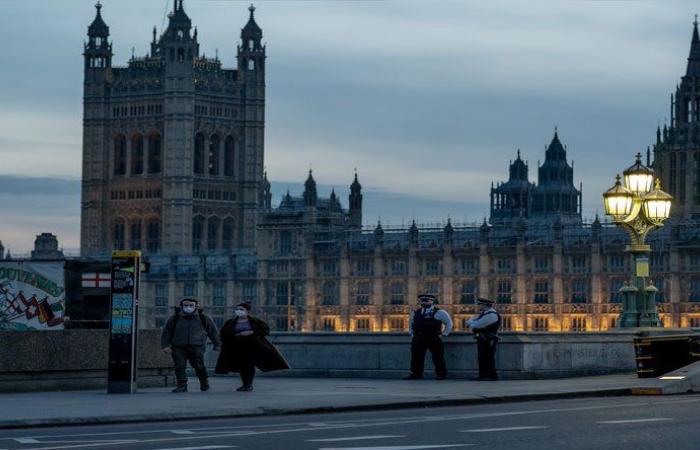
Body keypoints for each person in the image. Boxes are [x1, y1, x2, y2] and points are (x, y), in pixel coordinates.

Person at [215, 302, 290, 392]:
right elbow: (223, 333)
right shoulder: (230, 322)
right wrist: (235, 335)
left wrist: (251, 332)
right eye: (237, 309)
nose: (238, 311)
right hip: (236, 347)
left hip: (252, 346)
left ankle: (248, 384)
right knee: (242, 366)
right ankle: (245, 384)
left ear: (247, 311)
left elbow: (265, 330)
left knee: (249, 365)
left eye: (241, 309)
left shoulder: (255, 321)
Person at [161, 298, 221, 393]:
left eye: (191, 305)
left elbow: (213, 332)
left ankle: (204, 381)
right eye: (185, 305)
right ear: (181, 306)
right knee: (179, 366)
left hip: (197, 346)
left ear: (196, 306)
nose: (188, 307)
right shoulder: (175, 318)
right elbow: (166, 332)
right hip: (178, 346)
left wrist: (217, 344)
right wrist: (165, 346)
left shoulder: (203, 317)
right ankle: (182, 385)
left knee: (198, 366)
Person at [404, 293, 453, 380]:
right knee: (416, 357)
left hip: (433, 338)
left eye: (426, 301)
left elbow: (449, 324)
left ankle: (441, 374)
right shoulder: (415, 313)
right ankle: (416, 374)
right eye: (422, 301)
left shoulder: (440, 312)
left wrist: (444, 334)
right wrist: (413, 335)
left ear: (432, 301)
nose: (424, 302)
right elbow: (411, 325)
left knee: (438, 356)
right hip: (419, 338)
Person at [467, 298, 501, 381]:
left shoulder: (491, 315)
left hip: (488, 339)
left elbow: (476, 325)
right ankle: (483, 375)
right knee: (482, 357)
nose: (479, 306)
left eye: (480, 304)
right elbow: (471, 322)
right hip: (483, 338)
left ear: (485, 305)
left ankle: (490, 375)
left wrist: (472, 323)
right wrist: (472, 323)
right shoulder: (485, 314)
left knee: (488, 357)